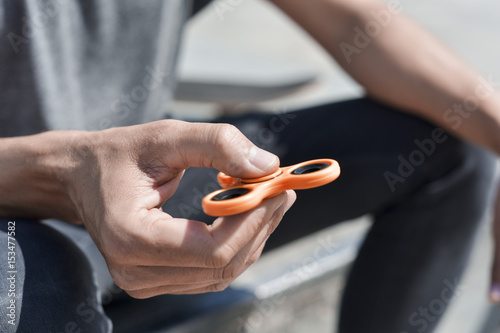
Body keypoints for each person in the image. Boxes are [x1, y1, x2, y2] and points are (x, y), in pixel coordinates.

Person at [1, 0, 499, 332]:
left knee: (451, 147)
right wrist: (64, 170)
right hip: (14, 201)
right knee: (34, 297)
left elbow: (357, 25)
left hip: (147, 181)